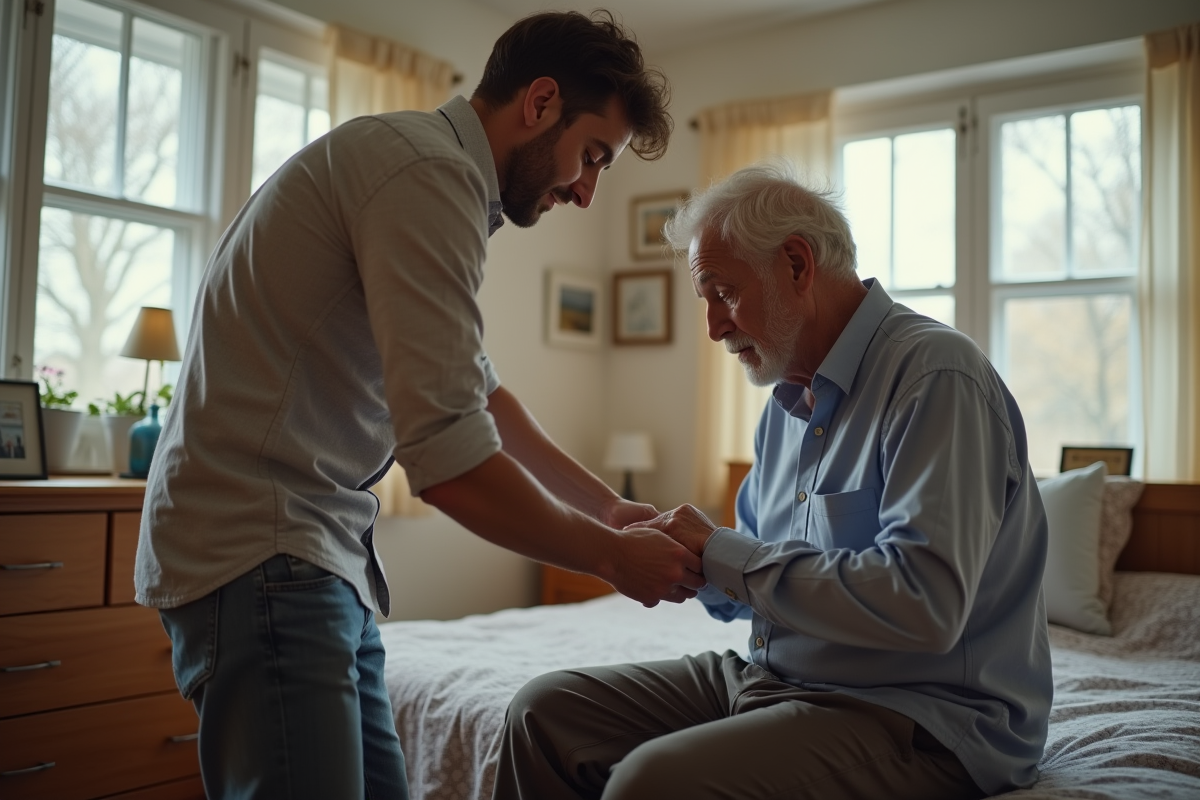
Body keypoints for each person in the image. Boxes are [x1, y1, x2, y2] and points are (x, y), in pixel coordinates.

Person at [134, 11, 703, 799]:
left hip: (317, 558)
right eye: (592, 156)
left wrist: (609, 511)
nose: (585, 189)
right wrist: (608, 559)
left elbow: (482, 394)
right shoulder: (425, 175)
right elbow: (447, 462)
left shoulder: (419, 169)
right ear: (539, 103)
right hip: (263, 549)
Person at [493, 160, 1052, 800]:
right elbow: (750, 580)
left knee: (654, 784)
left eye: (723, 293)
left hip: (923, 715)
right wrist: (685, 554)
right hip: (777, 679)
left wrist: (725, 552)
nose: (713, 327)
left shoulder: (936, 377)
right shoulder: (784, 407)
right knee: (543, 713)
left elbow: (925, 604)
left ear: (795, 264)